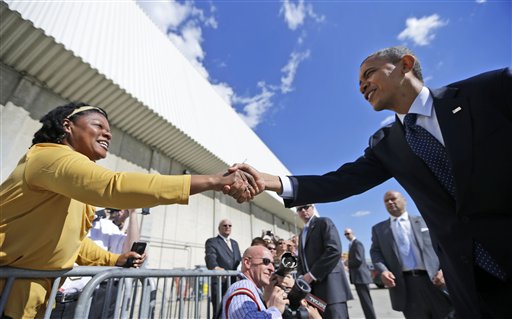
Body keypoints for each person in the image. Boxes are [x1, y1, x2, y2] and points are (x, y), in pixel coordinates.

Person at [230, 46, 511, 318]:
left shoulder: (489, 91)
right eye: (359, 82)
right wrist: (270, 181)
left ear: (406, 64)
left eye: (369, 74)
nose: (362, 86)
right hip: (470, 283)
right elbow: (340, 182)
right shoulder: (387, 145)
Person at [0, 102, 259, 319]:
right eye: (98, 126)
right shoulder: (48, 157)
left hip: (32, 303)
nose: (108, 134)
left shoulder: (72, 188)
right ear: (67, 126)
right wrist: (212, 181)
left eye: (109, 130)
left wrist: (115, 260)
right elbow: (113, 186)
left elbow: (71, 243)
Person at [370, 191, 452, 318]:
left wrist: (444, 270)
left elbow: (444, 246)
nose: (390, 202)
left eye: (393, 198)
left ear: (404, 200)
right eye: (386, 201)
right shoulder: (379, 229)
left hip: (435, 282)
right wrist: (383, 271)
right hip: (406, 287)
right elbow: (375, 252)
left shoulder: (425, 220)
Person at [50, 208, 140, 319]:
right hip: (48, 299)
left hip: (79, 303)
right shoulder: (59, 218)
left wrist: (133, 213)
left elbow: (130, 252)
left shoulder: (106, 227)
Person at [296, 204, 353, 319]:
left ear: (312, 207)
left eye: (306, 207)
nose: (303, 210)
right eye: (299, 209)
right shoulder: (302, 233)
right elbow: (301, 260)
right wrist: (301, 278)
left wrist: (311, 275)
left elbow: (334, 250)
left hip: (331, 291)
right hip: (314, 294)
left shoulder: (324, 223)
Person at [220, 245, 287, 319]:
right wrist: (275, 310)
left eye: (273, 264)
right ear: (247, 263)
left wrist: (268, 301)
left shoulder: (251, 288)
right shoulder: (243, 286)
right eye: (266, 262)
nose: (272, 268)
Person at [205, 219, 242, 318]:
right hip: (220, 283)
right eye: (224, 225)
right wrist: (215, 267)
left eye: (230, 225)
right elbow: (210, 256)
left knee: (232, 311)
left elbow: (238, 259)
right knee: (219, 312)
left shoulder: (235, 243)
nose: (227, 227)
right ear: (219, 228)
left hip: (234, 284)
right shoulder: (212, 241)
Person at [344, 228, 376, 319]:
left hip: (361, 278)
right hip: (357, 278)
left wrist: (347, 263)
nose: (346, 236)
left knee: (366, 303)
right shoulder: (351, 244)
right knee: (364, 303)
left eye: (348, 233)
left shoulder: (357, 243)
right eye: (345, 234)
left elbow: (358, 259)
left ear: (353, 233)